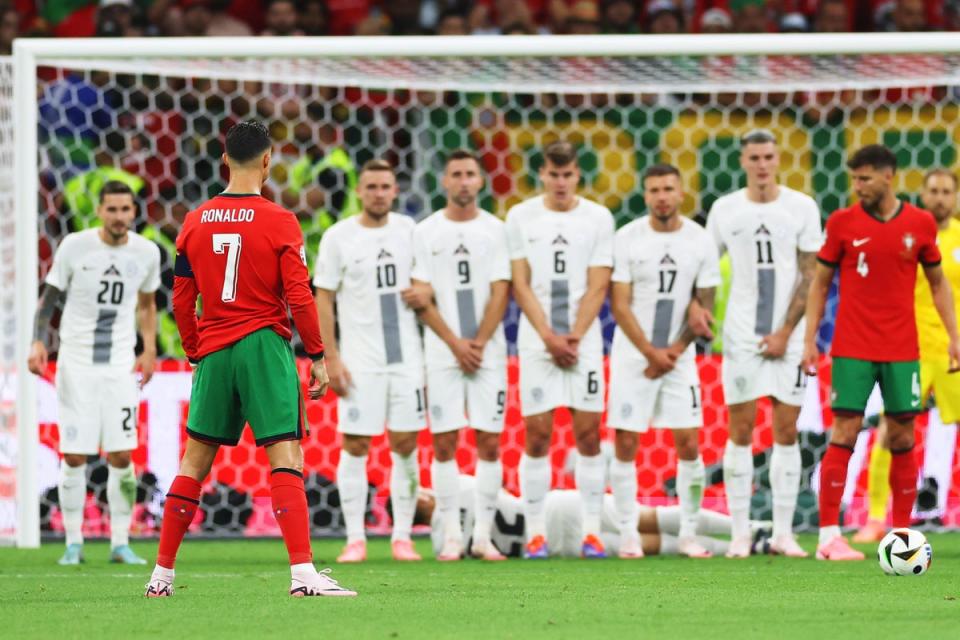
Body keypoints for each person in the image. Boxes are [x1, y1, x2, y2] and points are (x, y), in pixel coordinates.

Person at [145, 120, 355, 597]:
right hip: (263, 344)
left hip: (215, 347)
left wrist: (196, 348)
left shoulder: (194, 221)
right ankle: (303, 574)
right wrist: (317, 355)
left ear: (224, 160)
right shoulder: (281, 220)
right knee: (285, 455)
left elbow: (180, 298)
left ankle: (161, 577)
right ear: (267, 160)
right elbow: (299, 295)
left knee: (193, 462)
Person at [804, 145, 960, 561]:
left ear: (889, 176)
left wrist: (954, 336)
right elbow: (819, 284)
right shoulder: (841, 223)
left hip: (903, 349)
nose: (857, 187)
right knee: (845, 431)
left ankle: (903, 535)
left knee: (903, 434)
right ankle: (828, 538)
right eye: (854, 179)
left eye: (865, 179)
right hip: (852, 347)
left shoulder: (920, 224)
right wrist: (808, 340)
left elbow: (939, 283)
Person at [28, 180, 160, 566]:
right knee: (74, 455)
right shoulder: (75, 246)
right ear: (100, 211)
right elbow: (48, 300)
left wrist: (149, 349)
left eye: (126, 210)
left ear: (134, 212)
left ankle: (120, 542)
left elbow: (147, 305)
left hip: (119, 364)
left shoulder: (147, 252)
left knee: (122, 453)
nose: (119, 217)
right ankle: (73, 543)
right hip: (76, 363)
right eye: (112, 209)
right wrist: (38, 342)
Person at [706, 129, 821, 558]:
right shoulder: (724, 210)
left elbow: (810, 274)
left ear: (778, 159)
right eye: (753, 157)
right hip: (740, 337)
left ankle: (784, 534)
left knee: (786, 431)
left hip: (788, 339)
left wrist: (787, 333)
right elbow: (704, 266)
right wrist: (701, 310)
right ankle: (739, 534)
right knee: (740, 431)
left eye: (768, 156)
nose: (761, 164)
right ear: (743, 161)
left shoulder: (801, 207)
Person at [314, 159, 427, 564]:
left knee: (406, 444)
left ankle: (402, 537)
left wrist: (424, 293)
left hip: (407, 357)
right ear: (360, 191)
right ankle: (355, 538)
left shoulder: (411, 232)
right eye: (372, 186)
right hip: (359, 361)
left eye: (386, 186)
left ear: (395, 191)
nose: (379, 193)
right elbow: (322, 297)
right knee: (356, 444)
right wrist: (331, 356)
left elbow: (428, 283)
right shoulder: (338, 237)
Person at [506, 140, 614, 559]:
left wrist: (575, 336)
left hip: (583, 342)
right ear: (543, 176)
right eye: (554, 175)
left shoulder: (598, 218)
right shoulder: (520, 216)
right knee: (537, 435)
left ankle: (592, 533)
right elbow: (521, 282)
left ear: (577, 176)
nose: (561, 182)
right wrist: (549, 336)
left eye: (568, 175)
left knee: (588, 435)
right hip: (536, 342)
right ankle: (536, 534)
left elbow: (598, 282)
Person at [607, 164, 721, 559]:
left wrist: (673, 350)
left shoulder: (700, 240)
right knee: (625, 442)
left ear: (681, 193)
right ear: (645, 195)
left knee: (689, 442)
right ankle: (627, 535)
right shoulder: (627, 238)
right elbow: (619, 305)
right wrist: (651, 353)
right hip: (632, 357)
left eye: (668, 188)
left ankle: (689, 535)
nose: (661, 196)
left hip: (679, 358)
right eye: (654, 189)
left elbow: (706, 304)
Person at [411, 150, 511, 562]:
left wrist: (479, 343)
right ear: (445, 182)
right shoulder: (425, 231)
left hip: (488, 353)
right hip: (442, 352)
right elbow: (420, 295)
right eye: (457, 174)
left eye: (471, 174)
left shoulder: (498, 230)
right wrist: (456, 343)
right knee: (445, 441)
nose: (465, 181)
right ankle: (452, 535)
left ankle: (484, 538)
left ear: (481, 181)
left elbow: (502, 290)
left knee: (489, 442)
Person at [854, 169, 960, 543]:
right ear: (922, 194)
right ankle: (876, 518)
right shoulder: (908, 236)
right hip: (909, 350)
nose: (941, 198)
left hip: (953, 351)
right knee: (891, 430)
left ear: (956, 196)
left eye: (947, 191)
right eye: (934, 191)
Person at [417, 475, 773, 560]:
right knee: (654, 517)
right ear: (424, 495)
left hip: (556, 546)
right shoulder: (461, 485)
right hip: (558, 509)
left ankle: (756, 545)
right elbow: (501, 491)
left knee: (651, 544)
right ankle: (747, 529)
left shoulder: (439, 543)